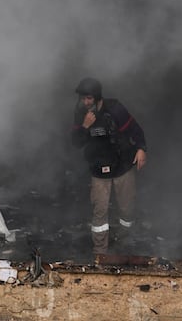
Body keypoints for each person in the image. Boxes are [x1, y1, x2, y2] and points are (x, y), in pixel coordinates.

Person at [70, 77, 147, 255]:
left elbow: (135, 129)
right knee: (100, 212)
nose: (85, 102)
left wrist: (142, 149)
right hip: (98, 169)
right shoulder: (80, 113)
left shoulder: (114, 109)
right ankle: (100, 252)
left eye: (89, 98)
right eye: (83, 98)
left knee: (127, 208)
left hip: (122, 166)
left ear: (97, 97)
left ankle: (123, 240)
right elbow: (75, 143)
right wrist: (84, 126)